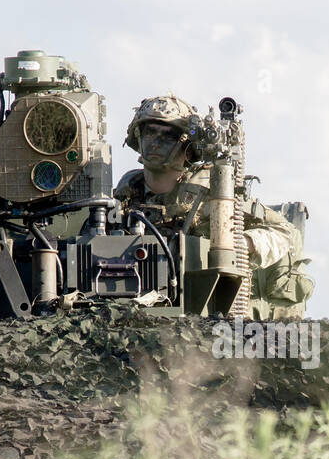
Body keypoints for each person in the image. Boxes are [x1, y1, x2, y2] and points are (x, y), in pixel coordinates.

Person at [112, 94, 312, 319]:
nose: (156, 142)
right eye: (150, 132)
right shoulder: (123, 198)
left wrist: (243, 243)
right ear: (138, 137)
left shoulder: (213, 195)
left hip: (209, 315)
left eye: (168, 136)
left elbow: (286, 232)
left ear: (187, 145)